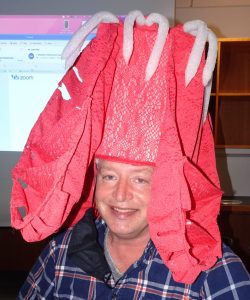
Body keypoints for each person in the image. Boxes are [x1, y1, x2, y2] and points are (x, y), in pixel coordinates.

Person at [12, 11, 250, 299]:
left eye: (140, 180)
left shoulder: (215, 274)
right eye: (110, 176)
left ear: (168, 186)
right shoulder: (59, 256)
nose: (120, 195)